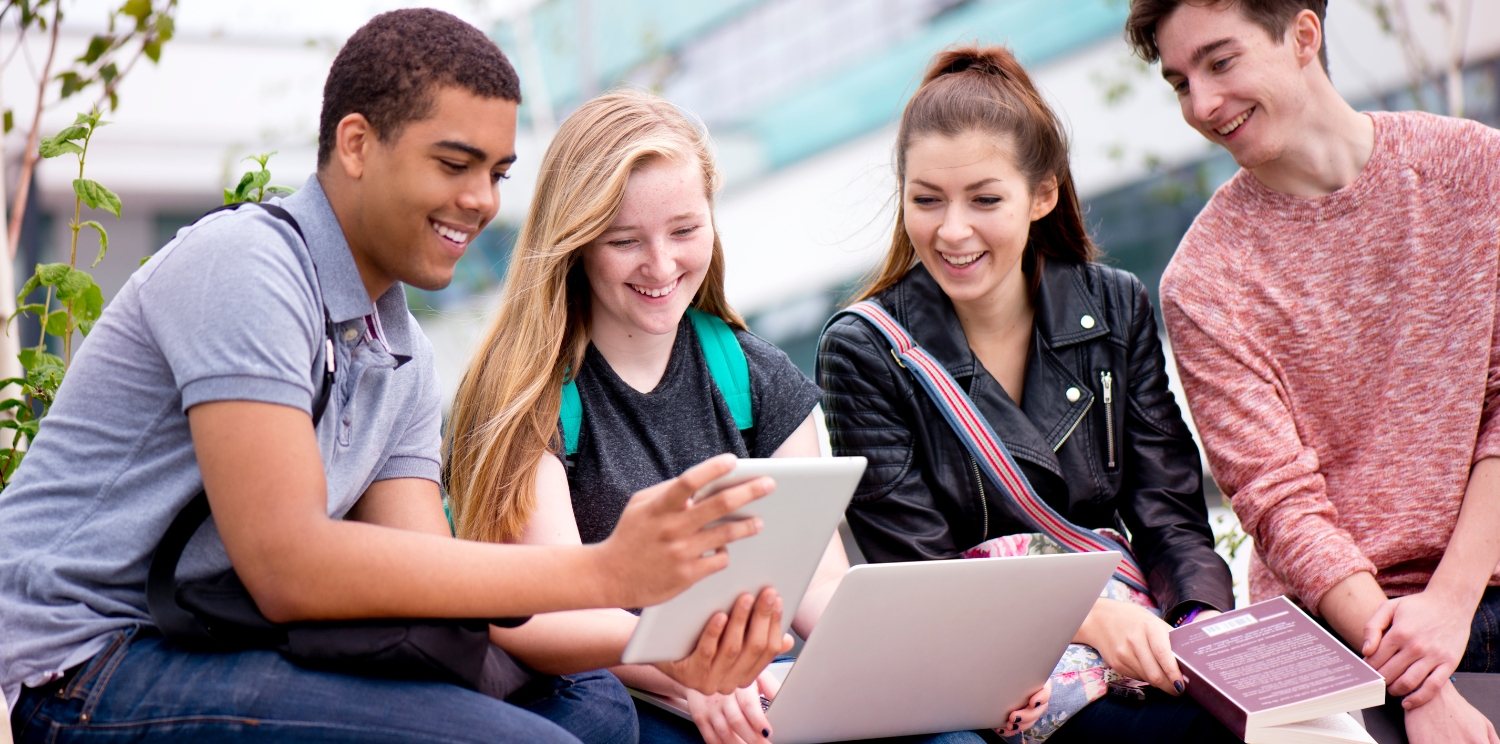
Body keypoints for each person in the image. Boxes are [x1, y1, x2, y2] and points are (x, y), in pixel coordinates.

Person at [0, 11, 788, 744]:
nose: (480, 201)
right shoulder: (247, 267)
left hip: (223, 639)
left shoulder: (399, 346)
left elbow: (423, 582)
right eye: (454, 163)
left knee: (593, 707)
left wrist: (674, 644)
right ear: (356, 145)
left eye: (499, 173)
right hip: (87, 660)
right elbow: (287, 566)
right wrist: (606, 570)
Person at [444, 87, 1049, 744]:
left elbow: (818, 586)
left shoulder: (752, 375)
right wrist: (689, 672)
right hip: (620, 696)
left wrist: (952, 673)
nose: (661, 264)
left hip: (753, 684)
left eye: (684, 231)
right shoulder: (527, 393)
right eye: (624, 241)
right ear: (577, 241)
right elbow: (540, 617)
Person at [817, 45, 1238, 744]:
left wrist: (1199, 625)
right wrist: (1093, 621)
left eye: (985, 199)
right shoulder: (866, 349)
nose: (952, 231)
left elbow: (1166, 512)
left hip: (1136, 632)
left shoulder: (1114, 304)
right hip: (992, 664)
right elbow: (920, 575)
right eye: (926, 200)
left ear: (1041, 194)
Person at [1125, 0, 1500, 741]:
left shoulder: (1475, 171)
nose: (1201, 105)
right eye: (1179, 82)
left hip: (1477, 590)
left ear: (1303, 35)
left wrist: (1448, 609)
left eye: (1221, 62)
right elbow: (1280, 502)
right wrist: (1420, 686)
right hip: (1336, 635)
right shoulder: (1203, 283)